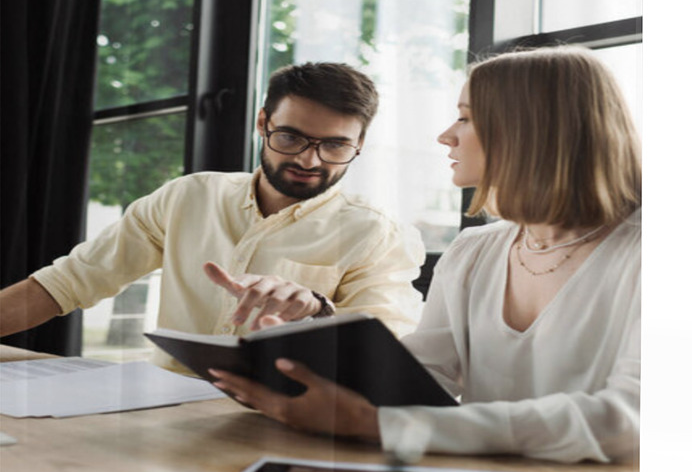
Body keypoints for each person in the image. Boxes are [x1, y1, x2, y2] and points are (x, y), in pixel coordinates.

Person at [208, 46, 642, 463]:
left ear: (530, 131)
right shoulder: (475, 250)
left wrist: (379, 425)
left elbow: (628, 422)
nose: (446, 135)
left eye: (465, 118)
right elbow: (423, 375)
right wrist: (296, 369)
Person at [0, 62, 425, 372]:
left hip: (282, 419)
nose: (309, 160)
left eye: (335, 145)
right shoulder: (188, 196)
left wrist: (317, 311)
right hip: (163, 408)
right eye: (291, 137)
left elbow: (385, 353)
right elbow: (69, 282)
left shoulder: (377, 234)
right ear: (263, 123)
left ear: (361, 142)